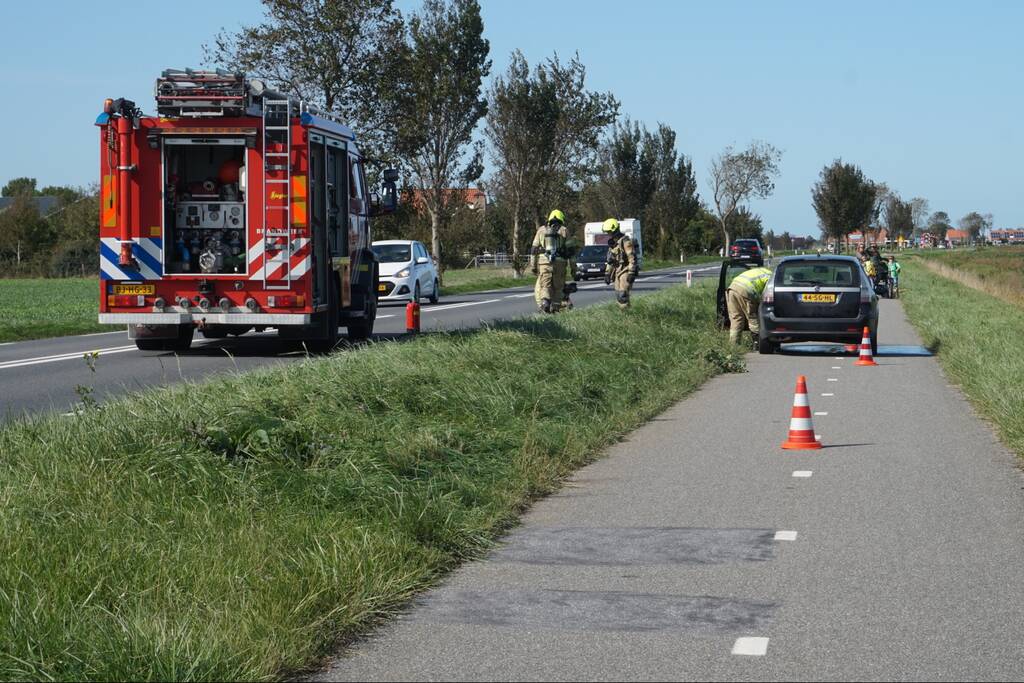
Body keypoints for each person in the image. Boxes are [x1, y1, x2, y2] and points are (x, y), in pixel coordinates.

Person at [530, 209, 572, 313]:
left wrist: (533, 266)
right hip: (560, 264)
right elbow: (571, 251)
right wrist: (574, 268)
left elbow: (534, 249)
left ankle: (545, 303)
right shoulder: (564, 230)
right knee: (558, 288)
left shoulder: (541, 230)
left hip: (544, 263)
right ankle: (555, 309)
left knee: (545, 285)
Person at [726, 265, 772, 347]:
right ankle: (758, 343)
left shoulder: (759, 271)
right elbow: (767, 294)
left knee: (736, 319)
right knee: (753, 318)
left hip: (732, 289)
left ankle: (733, 345)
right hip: (746, 291)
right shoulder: (770, 277)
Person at [602, 218, 638, 310]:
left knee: (623, 295)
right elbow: (610, 260)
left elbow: (631, 257)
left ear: (614, 230)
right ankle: (627, 315)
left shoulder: (625, 241)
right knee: (619, 297)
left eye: (609, 232)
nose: (608, 234)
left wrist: (631, 272)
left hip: (625, 270)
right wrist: (607, 273)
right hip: (617, 272)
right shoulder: (613, 244)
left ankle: (627, 315)